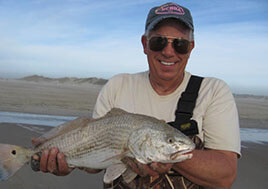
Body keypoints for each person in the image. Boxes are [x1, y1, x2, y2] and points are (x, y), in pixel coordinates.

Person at [32, 2, 241, 189]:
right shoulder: (117, 85)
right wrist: (66, 162)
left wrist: (158, 153)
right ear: (144, 44)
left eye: (180, 44)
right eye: (159, 42)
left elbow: (225, 176)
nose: (169, 52)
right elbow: (96, 161)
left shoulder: (213, 91)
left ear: (191, 48)